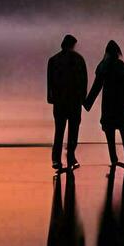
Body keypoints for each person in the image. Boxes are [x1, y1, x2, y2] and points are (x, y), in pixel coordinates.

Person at [85, 39, 124, 173]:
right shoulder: (121, 66)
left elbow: (96, 87)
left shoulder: (103, 66)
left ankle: (114, 159)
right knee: (123, 132)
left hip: (108, 104)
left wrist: (87, 103)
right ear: (117, 52)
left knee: (109, 133)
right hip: (121, 104)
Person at [46, 34, 88, 171]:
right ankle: (71, 157)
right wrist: (83, 98)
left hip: (59, 101)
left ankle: (56, 159)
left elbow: (50, 82)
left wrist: (50, 97)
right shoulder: (79, 59)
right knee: (73, 130)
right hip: (74, 101)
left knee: (59, 131)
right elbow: (84, 81)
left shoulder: (53, 60)